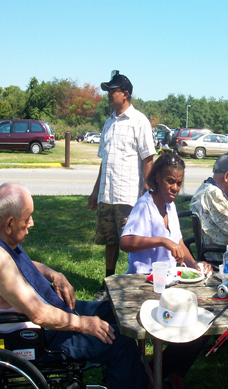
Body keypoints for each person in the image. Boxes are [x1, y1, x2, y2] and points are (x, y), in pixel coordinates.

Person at [0, 183, 146, 389]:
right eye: (27, 218)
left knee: (111, 310)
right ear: (10, 223)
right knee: (122, 342)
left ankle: (123, 384)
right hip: (34, 337)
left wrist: (53, 273)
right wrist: (83, 324)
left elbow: (21, 263)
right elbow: (39, 314)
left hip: (40, 322)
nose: (32, 223)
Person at [120, 154, 212, 389]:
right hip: (143, 283)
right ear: (158, 178)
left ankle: (165, 372)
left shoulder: (170, 207)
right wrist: (161, 240)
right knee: (178, 323)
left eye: (179, 183)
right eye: (170, 181)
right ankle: (153, 376)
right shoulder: (145, 206)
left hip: (169, 282)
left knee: (203, 324)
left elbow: (178, 241)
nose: (175, 187)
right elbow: (125, 242)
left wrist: (195, 265)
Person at [88, 71, 155, 286]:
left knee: (132, 242)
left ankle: (135, 282)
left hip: (128, 196)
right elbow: (104, 160)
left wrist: (146, 190)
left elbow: (148, 158)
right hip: (107, 194)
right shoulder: (109, 122)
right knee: (110, 240)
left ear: (125, 94)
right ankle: (108, 282)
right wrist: (95, 191)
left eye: (112, 91)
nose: (108, 94)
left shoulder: (139, 121)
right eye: (108, 91)